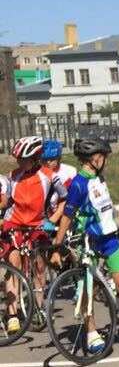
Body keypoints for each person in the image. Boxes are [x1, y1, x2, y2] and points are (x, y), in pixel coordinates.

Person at [53, 138, 119, 352]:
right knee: (87, 289)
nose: (105, 160)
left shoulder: (99, 177)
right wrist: (57, 245)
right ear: (96, 158)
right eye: (104, 157)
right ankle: (91, 333)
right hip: (89, 243)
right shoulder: (79, 184)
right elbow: (67, 215)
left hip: (110, 240)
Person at [1, 137, 67, 337]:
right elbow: (5, 200)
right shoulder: (13, 175)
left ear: (36, 158)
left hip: (38, 225)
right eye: (18, 159)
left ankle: (38, 307)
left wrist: (53, 219)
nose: (20, 163)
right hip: (14, 224)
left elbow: (65, 199)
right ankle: (12, 314)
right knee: (13, 265)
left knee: (39, 266)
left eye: (24, 159)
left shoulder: (49, 175)